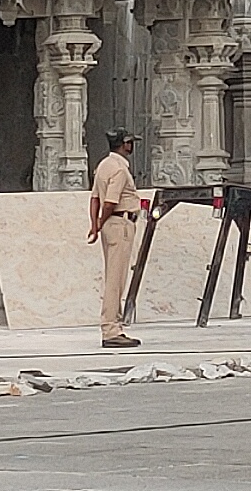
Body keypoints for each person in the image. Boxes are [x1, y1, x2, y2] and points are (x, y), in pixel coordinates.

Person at [89, 128, 145, 349]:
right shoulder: (119, 169)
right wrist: (100, 223)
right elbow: (109, 202)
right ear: (126, 144)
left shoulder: (104, 165)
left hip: (111, 224)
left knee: (114, 276)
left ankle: (114, 326)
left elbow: (94, 198)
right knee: (116, 279)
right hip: (120, 222)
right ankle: (111, 329)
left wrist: (95, 225)